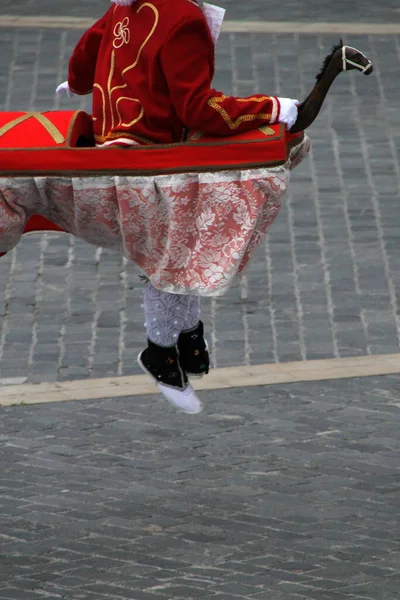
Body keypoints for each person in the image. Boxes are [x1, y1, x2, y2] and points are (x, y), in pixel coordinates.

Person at [57, 0, 299, 414]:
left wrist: (80, 85)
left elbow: (81, 65)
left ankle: (188, 333)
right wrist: (270, 107)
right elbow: (198, 108)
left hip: (111, 154)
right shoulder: (181, 17)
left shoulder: (123, 7)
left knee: (182, 249)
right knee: (174, 256)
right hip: (153, 168)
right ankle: (160, 352)